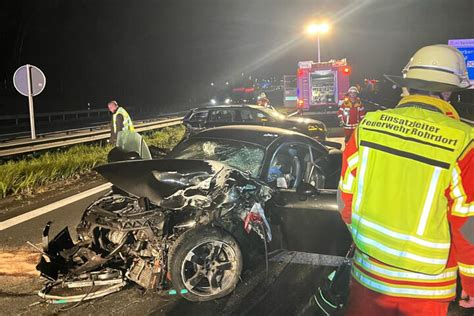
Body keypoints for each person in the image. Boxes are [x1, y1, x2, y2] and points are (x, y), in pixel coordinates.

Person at [339, 44, 474, 315]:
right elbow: (468, 224)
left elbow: (345, 199)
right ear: (448, 91)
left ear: (407, 85)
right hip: (425, 288)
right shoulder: (463, 141)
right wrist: (470, 281)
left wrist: (364, 239)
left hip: (368, 275)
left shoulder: (368, 127)